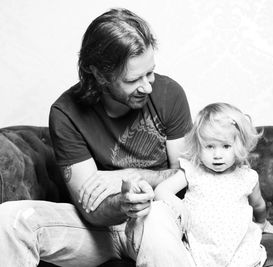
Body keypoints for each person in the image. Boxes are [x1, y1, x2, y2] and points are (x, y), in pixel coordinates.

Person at [0, 8, 193, 267]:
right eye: (134, 79)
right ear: (100, 74)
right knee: (10, 219)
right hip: (98, 228)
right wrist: (123, 203)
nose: (147, 86)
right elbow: (92, 211)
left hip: (157, 216)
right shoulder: (65, 113)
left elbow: (189, 174)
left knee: (155, 216)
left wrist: (126, 178)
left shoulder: (170, 94)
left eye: (150, 72)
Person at [152, 103, 273, 267]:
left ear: (239, 146)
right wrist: (177, 203)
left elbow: (258, 204)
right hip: (199, 248)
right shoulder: (192, 171)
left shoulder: (247, 177)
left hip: (238, 248)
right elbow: (161, 190)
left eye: (226, 146)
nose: (217, 155)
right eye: (209, 146)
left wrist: (262, 222)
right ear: (199, 146)